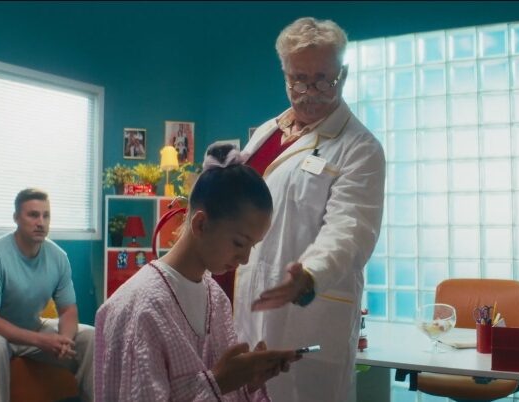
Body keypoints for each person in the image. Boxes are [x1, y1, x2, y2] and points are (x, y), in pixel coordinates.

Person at [232, 17, 386, 402]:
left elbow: (350, 229)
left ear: (343, 74)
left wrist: (312, 274)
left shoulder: (360, 148)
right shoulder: (267, 132)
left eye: (323, 80)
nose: (310, 92)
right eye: (298, 79)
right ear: (285, 74)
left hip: (308, 319)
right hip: (248, 305)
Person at [95, 143, 299, 401]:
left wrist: (245, 382)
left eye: (253, 246)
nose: (245, 259)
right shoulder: (141, 309)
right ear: (201, 224)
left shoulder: (217, 299)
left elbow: (220, 388)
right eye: (239, 243)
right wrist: (218, 382)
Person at [0, 188, 94, 402]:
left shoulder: (59, 257)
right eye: (33, 215)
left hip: (31, 325)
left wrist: (64, 341)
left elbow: (68, 310)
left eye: (46, 216)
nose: (41, 222)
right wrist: (41, 341)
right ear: (16, 218)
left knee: (90, 337)